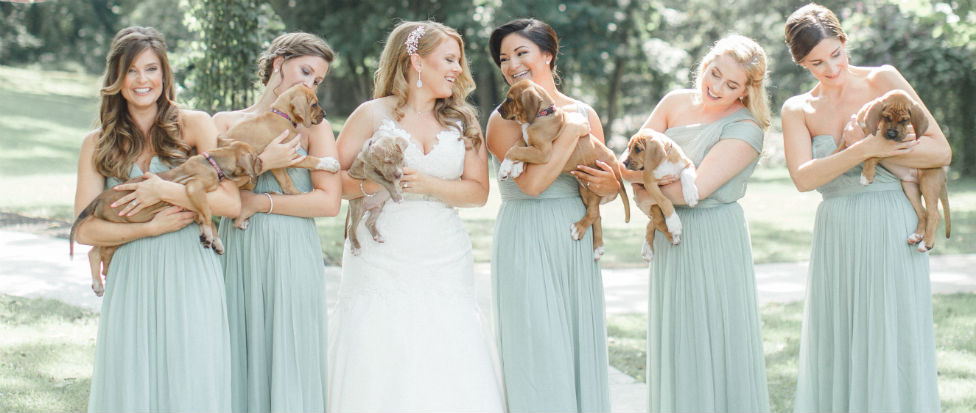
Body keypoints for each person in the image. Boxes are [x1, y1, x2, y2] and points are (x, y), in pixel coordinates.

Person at [781, 4, 950, 412]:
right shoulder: (797, 109)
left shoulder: (884, 80)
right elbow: (804, 178)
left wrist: (882, 151)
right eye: (816, 63)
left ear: (844, 40)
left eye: (836, 54)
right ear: (801, 63)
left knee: (892, 335)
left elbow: (940, 149)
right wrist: (865, 148)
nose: (832, 68)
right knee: (840, 336)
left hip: (892, 221)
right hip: (837, 231)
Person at [328, 20, 504, 412]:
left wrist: (425, 183)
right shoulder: (371, 115)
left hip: (443, 251)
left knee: (445, 340)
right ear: (416, 61)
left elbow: (478, 192)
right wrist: (374, 184)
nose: (458, 69)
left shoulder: (464, 121)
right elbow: (334, 183)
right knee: (380, 338)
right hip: (380, 253)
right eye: (449, 59)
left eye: (459, 61)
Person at [74, 26, 236, 412]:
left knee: (191, 376)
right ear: (117, 78)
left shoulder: (195, 125)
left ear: (165, 75)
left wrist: (163, 192)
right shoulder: (96, 143)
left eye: (150, 69)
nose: (142, 80)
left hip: (190, 269)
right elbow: (83, 228)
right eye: (131, 71)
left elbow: (230, 202)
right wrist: (148, 227)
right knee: (132, 379)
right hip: (131, 273)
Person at [624, 34, 771, 412]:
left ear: (747, 90)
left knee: (717, 333)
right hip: (669, 234)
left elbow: (695, 191)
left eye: (731, 84)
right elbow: (628, 162)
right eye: (714, 73)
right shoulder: (674, 102)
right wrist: (648, 194)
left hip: (713, 237)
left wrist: (647, 185)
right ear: (705, 64)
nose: (717, 87)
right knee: (677, 335)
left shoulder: (747, 127)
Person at [485, 18, 618, 412]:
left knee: (577, 341)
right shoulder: (503, 118)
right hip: (525, 236)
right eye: (504, 58)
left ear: (547, 54)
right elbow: (531, 184)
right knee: (535, 345)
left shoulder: (583, 112)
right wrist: (572, 133)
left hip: (573, 239)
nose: (511, 65)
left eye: (521, 53)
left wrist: (609, 189)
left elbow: (594, 182)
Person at [212, 32, 341, 413]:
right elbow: (212, 192)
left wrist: (258, 201)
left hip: (291, 249)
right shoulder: (225, 122)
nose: (309, 85)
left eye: (317, 80)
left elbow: (329, 202)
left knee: (291, 351)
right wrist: (263, 163)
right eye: (305, 71)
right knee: (237, 345)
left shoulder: (315, 128)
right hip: (238, 248)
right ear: (278, 64)